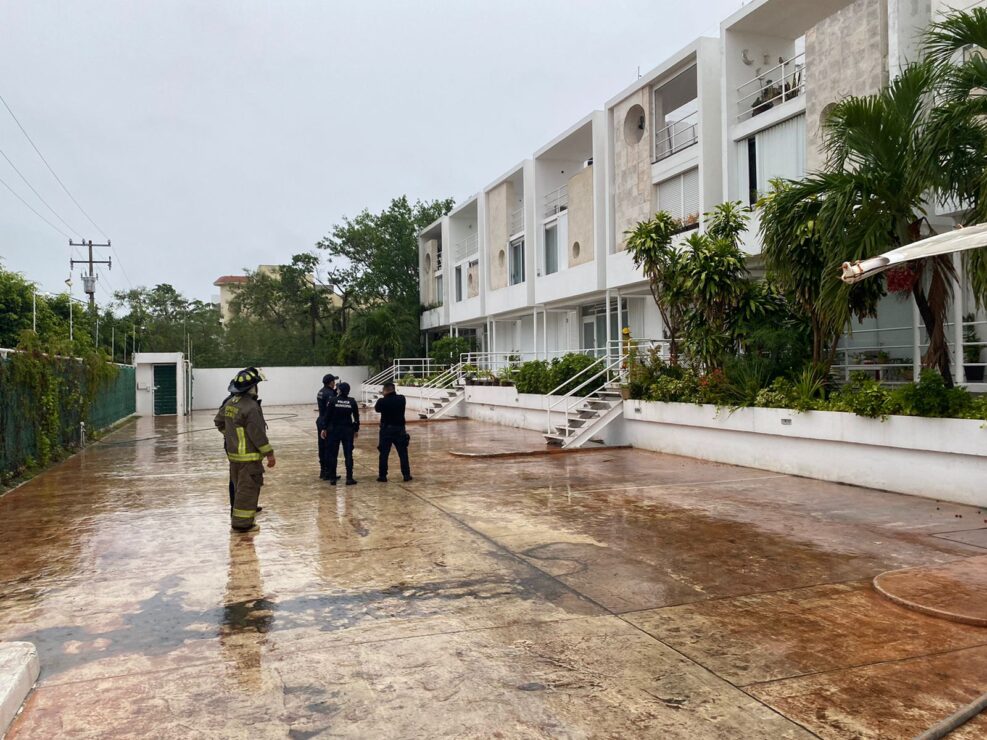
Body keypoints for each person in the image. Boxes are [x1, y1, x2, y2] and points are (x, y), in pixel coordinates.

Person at [214, 367, 276, 532]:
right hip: (249, 458)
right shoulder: (251, 407)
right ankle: (243, 525)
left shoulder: (230, 402)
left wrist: (231, 435)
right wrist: (269, 454)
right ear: (252, 387)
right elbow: (258, 435)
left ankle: (239, 521)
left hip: (234, 457)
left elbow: (219, 421)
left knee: (238, 489)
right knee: (248, 491)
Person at [319, 381, 359, 485]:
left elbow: (327, 416)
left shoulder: (333, 400)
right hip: (347, 431)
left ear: (339, 390)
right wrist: (356, 429)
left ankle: (332, 478)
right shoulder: (352, 401)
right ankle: (349, 478)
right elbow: (356, 417)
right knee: (348, 454)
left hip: (334, 430)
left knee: (333, 454)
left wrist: (324, 428)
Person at [374, 381, 412, 482]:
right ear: (394, 389)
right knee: (403, 453)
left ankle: (382, 476)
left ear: (385, 390)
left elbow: (377, 409)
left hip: (386, 430)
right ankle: (406, 475)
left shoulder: (382, 401)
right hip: (400, 430)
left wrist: (383, 397)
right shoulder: (401, 399)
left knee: (384, 454)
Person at [316, 374, 337, 480]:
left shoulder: (321, 391)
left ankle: (323, 470)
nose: (335, 383)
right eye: (334, 381)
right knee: (329, 447)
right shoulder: (329, 394)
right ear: (331, 382)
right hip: (327, 422)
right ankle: (328, 472)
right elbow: (331, 409)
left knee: (322, 446)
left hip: (320, 420)